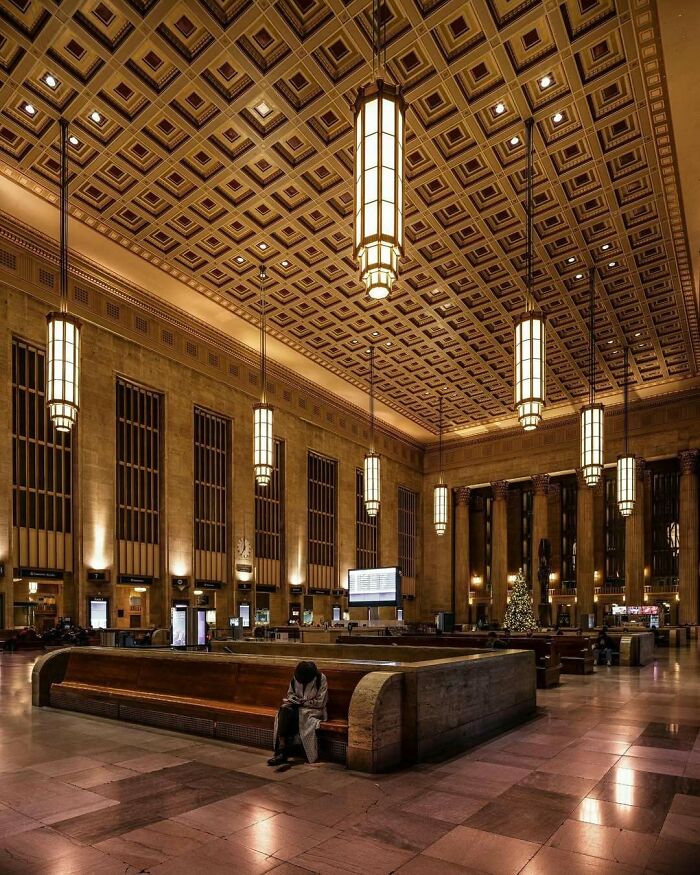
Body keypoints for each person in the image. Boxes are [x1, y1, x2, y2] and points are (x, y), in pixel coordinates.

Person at [268, 661, 328, 767]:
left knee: (291, 714)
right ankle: (282, 749)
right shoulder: (296, 676)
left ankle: (282, 752)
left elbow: (321, 701)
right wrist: (294, 699)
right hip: (297, 707)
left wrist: (304, 702)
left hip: (313, 710)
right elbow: (290, 693)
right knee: (284, 709)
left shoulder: (320, 679)